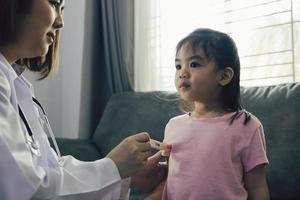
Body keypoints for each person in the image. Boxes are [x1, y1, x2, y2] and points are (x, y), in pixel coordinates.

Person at [0, 0, 166, 199]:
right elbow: (27, 190)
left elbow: (49, 169)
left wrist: (126, 177)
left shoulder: (15, 84)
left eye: (62, 10)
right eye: (54, 4)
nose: (60, 22)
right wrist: (112, 167)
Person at [160, 28, 270, 199]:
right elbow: (169, 179)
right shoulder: (173, 126)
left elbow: (257, 187)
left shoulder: (248, 125)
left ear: (224, 76)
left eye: (194, 64)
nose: (182, 73)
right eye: (178, 66)